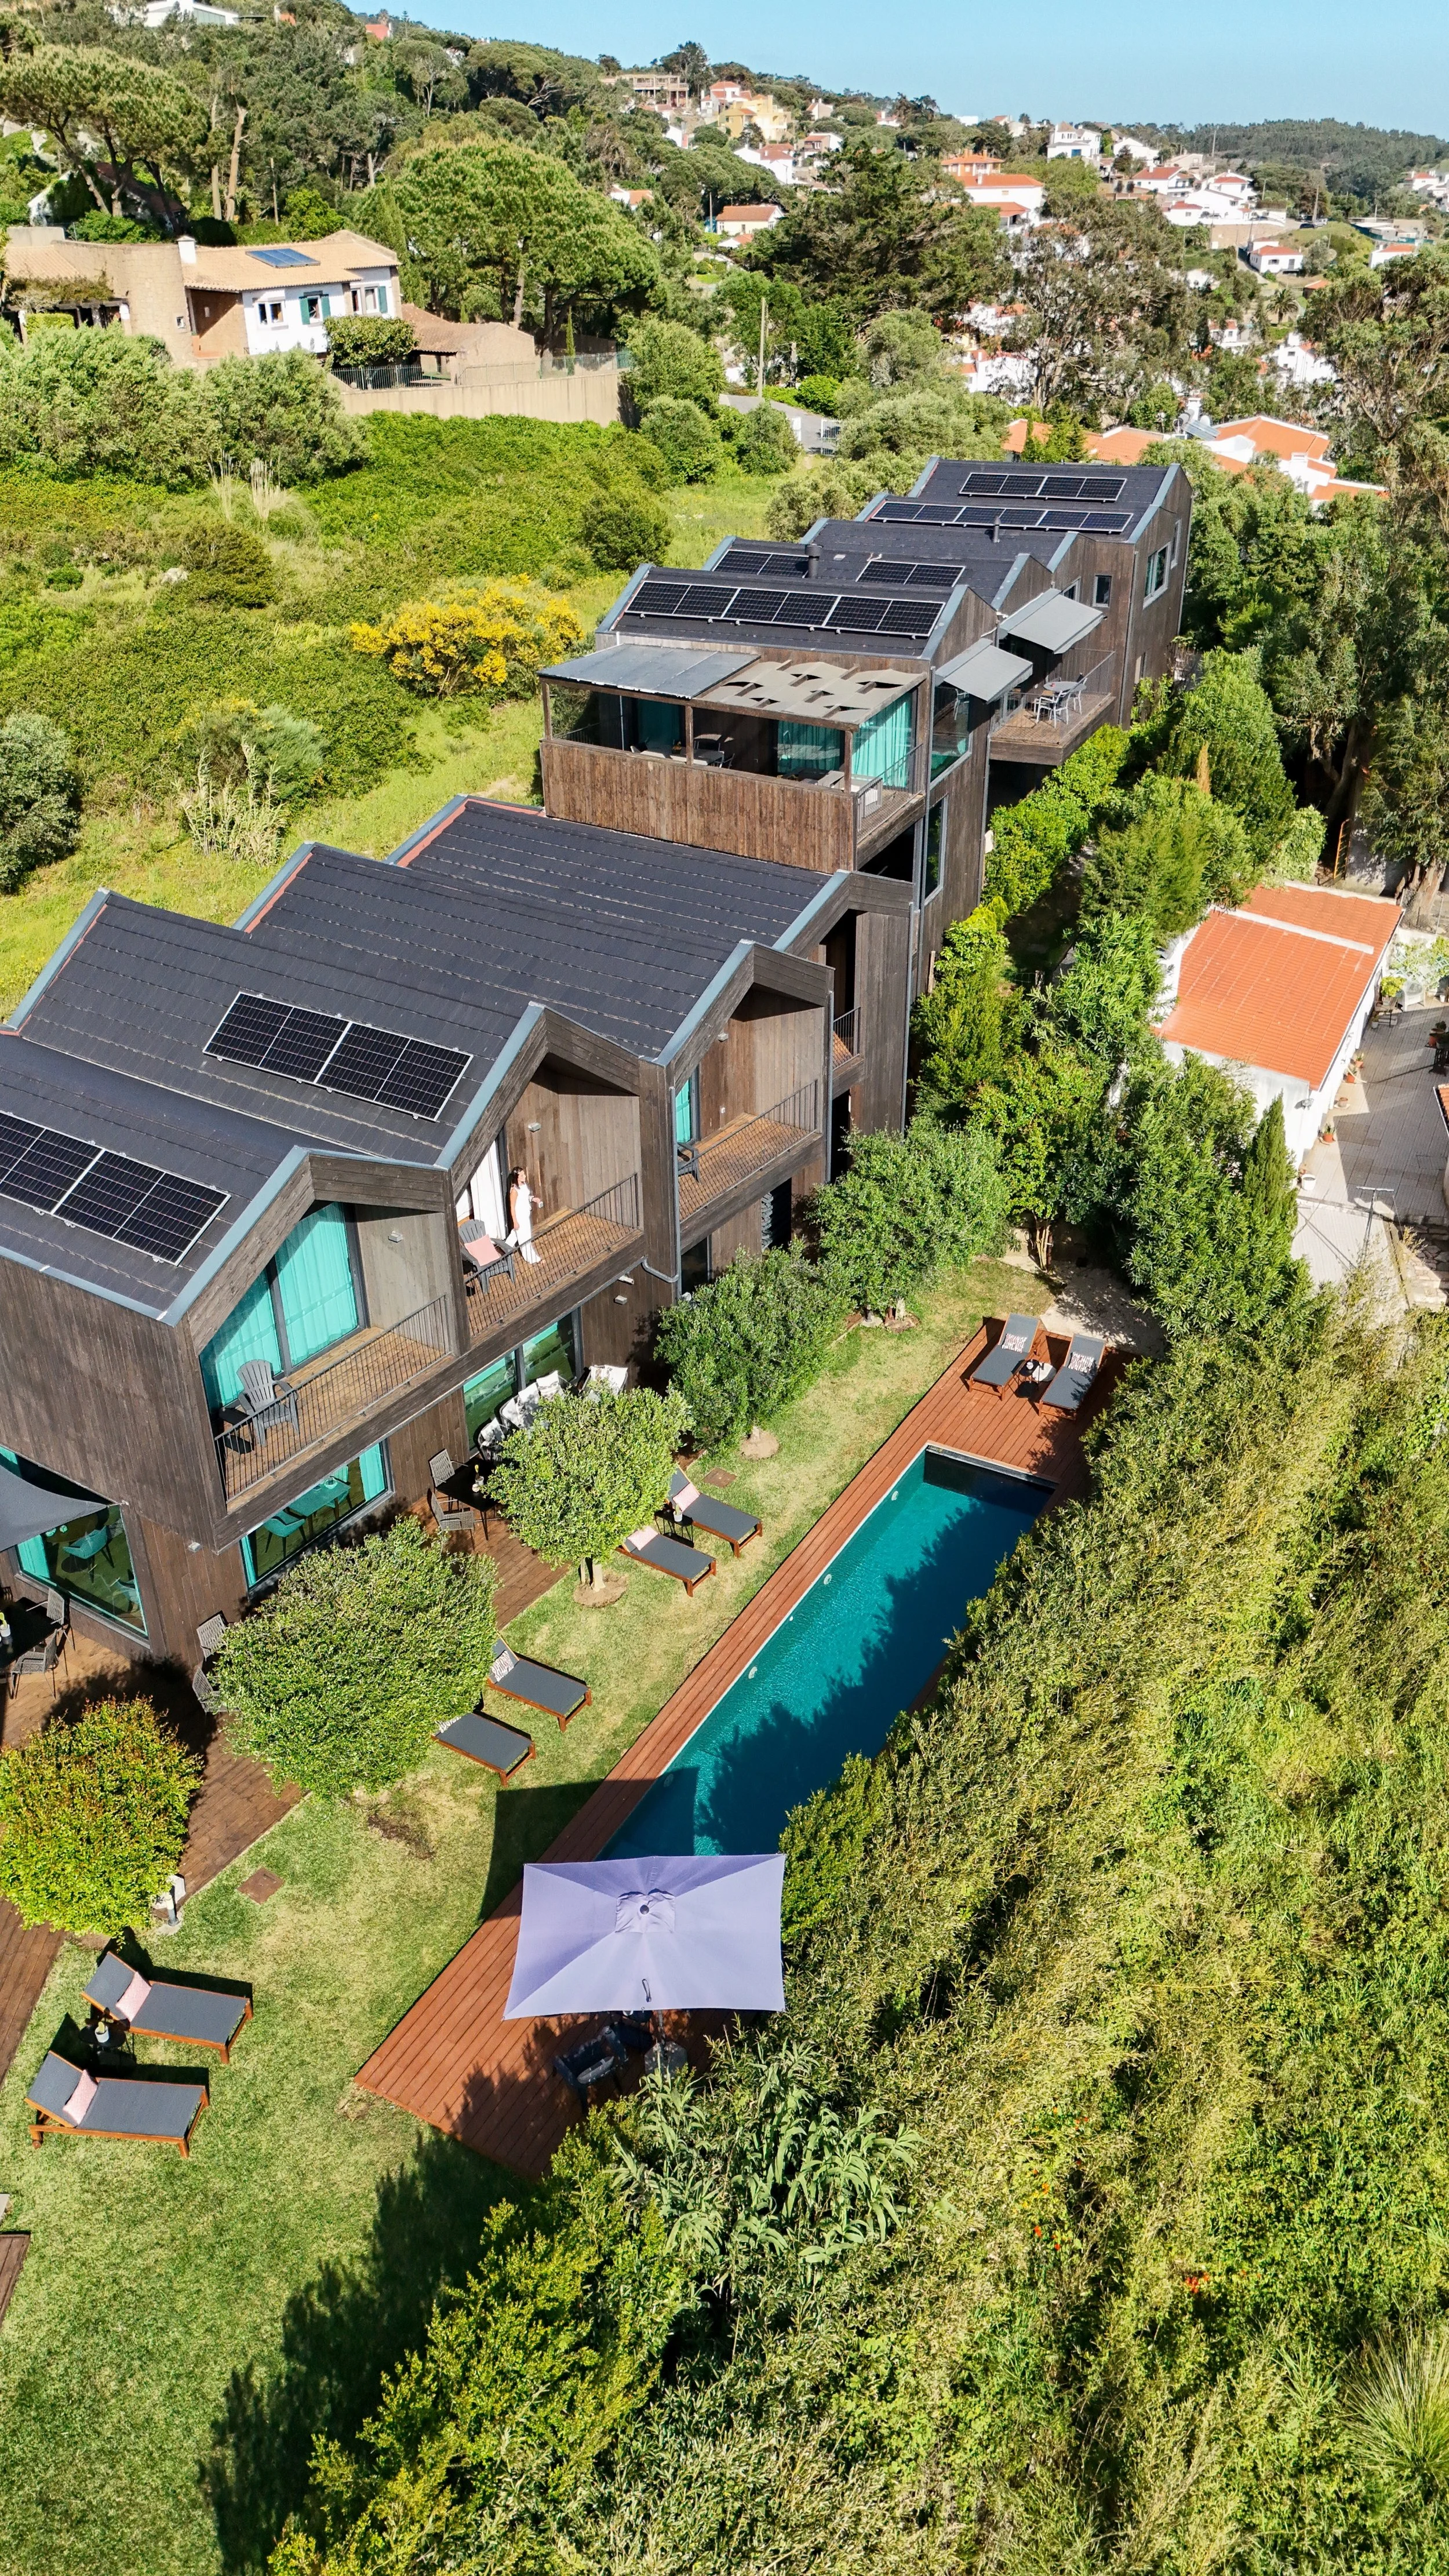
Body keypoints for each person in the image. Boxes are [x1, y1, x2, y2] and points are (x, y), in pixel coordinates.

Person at [508, 1166, 542, 1264]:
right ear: (517, 1177)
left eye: (524, 1174)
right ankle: (533, 1259)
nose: (525, 1176)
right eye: (522, 1175)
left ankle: (503, 1251)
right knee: (525, 1239)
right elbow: (512, 1207)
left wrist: (532, 1199)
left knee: (515, 1236)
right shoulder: (514, 1191)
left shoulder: (523, 1185)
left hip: (525, 1215)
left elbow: (524, 1197)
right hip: (520, 1217)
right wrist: (515, 1222)